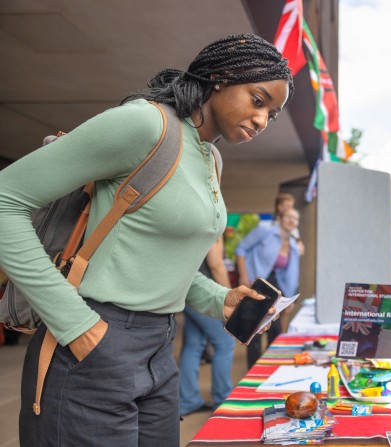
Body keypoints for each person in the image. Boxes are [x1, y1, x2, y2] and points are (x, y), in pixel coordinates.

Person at [0, 33, 293, 446]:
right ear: (220, 78)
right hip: (91, 339)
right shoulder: (144, 125)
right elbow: (4, 200)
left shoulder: (212, 158)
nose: (262, 120)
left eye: (273, 115)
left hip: (159, 346)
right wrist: (75, 323)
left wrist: (217, 299)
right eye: (258, 100)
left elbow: (155, 255)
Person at [235, 207, 300, 368]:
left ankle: (271, 368)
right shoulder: (265, 230)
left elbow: (290, 273)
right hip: (257, 283)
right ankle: (253, 369)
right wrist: (244, 277)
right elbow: (240, 248)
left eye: (295, 218)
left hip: (275, 285)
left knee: (275, 329)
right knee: (254, 330)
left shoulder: (292, 244)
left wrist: (290, 296)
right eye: (288, 216)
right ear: (280, 218)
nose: (292, 220)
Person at [179, 237, 236, 417]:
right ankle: (222, 399)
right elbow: (216, 265)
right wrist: (230, 295)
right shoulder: (214, 217)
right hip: (202, 294)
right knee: (225, 342)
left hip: (184, 290)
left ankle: (188, 400)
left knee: (194, 345)